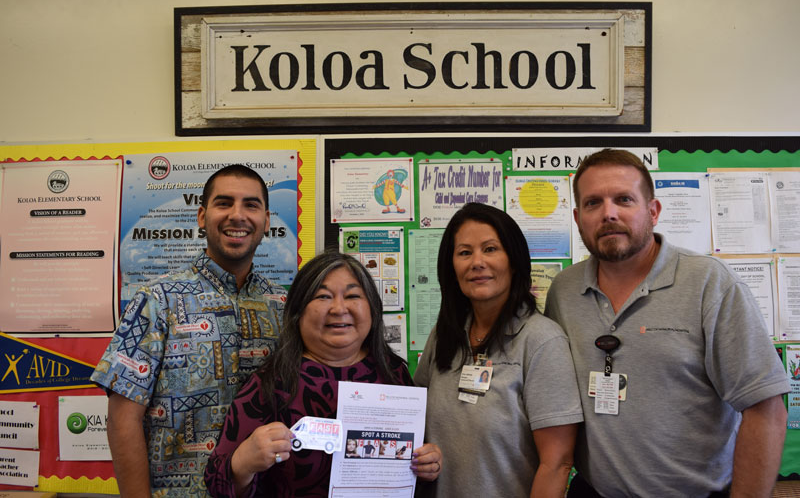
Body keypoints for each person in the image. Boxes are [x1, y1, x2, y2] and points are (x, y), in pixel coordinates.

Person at [545, 149, 790, 497]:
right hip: (593, 491)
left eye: (624, 199)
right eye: (593, 203)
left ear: (653, 211)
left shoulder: (710, 284)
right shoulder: (564, 291)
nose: (608, 213)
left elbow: (766, 410)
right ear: (577, 216)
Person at [92, 165, 287, 497]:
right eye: (224, 203)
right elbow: (123, 419)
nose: (237, 216)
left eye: (251, 205)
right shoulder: (156, 301)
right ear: (202, 216)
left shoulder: (282, 307)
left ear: (266, 220)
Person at [204, 251, 442, 497]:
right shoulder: (271, 383)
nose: (339, 308)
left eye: (352, 296)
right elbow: (217, 483)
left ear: (372, 309)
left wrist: (428, 463)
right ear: (298, 312)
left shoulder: (394, 375)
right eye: (323, 296)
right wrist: (242, 463)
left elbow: (414, 466)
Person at [415, 202, 583, 498]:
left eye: (490, 249)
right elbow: (417, 424)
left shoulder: (542, 341)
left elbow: (557, 463)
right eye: (465, 252)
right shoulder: (444, 337)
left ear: (514, 260)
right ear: (451, 266)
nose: (477, 262)